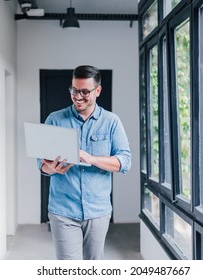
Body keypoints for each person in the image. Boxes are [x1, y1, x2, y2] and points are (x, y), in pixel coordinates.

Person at [37, 65, 132, 260]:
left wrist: (92, 158)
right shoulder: (55, 119)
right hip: (63, 210)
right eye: (74, 90)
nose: (78, 96)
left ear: (98, 91)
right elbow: (41, 163)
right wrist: (52, 168)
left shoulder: (111, 121)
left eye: (85, 92)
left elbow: (125, 161)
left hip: (98, 211)